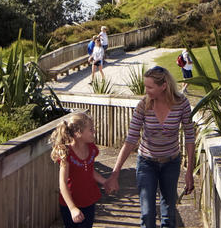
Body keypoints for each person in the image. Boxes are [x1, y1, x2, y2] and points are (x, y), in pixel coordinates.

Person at [105, 66, 195, 228]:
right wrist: (115, 172)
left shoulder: (182, 103)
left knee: (168, 214)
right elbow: (131, 139)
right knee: (147, 215)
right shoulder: (143, 106)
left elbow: (190, 136)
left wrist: (189, 172)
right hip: (147, 163)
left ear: (163, 86)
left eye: (149, 87)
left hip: (171, 162)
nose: (146, 91)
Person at [50, 112, 107, 228]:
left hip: (89, 200)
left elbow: (89, 170)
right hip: (71, 203)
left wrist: (105, 182)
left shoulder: (92, 149)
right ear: (78, 133)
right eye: (91, 129)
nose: (94, 132)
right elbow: (63, 183)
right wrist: (72, 208)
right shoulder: (67, 154)